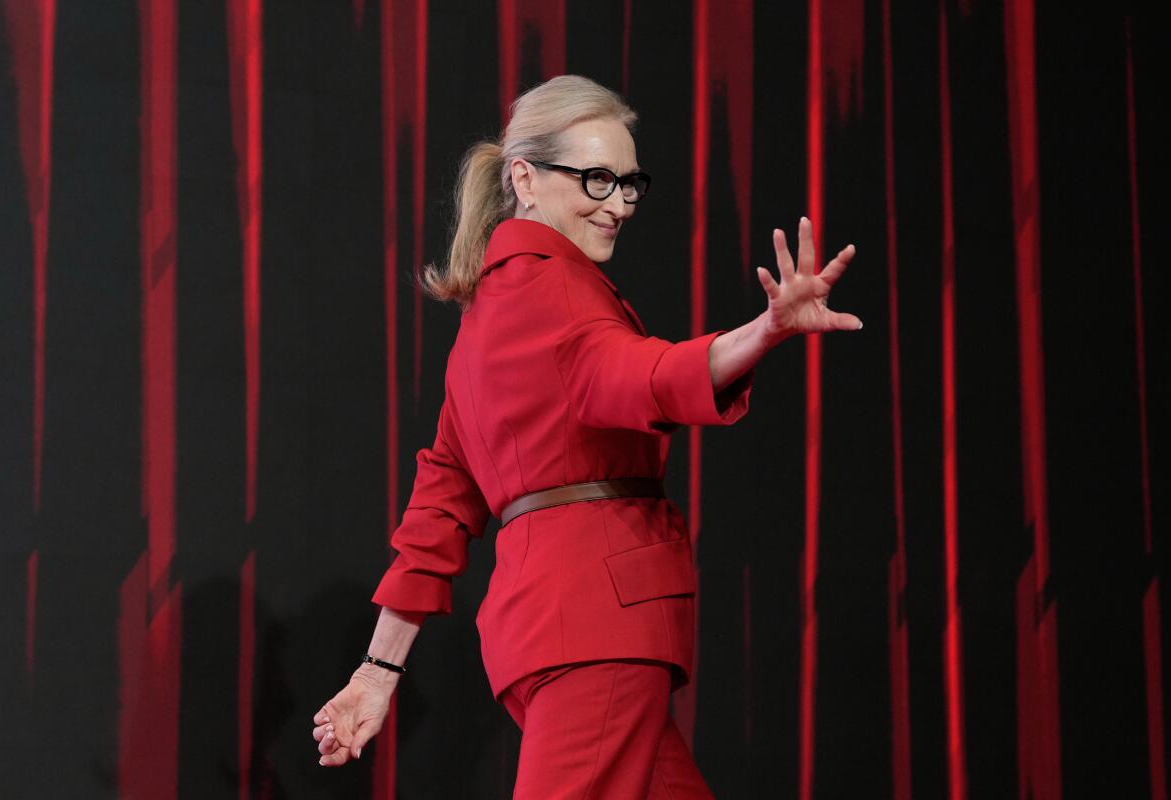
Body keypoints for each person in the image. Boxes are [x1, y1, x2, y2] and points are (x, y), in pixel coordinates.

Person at [311, 74, 861, 798]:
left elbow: (439, 511)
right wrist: (764, 331)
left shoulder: (488, 316)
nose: (619, 205)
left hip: (557, 631)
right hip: (598, 628)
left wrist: (376, 672)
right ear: (524, 179)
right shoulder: (556, 292)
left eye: (630, 184)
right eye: (597, 179)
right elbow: (642, 375)